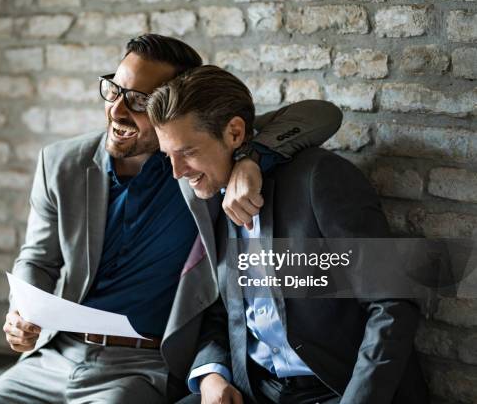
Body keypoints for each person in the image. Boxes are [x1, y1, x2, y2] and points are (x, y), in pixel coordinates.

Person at [0, 35, 343, 403]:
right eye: (115, 90)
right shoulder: (60, 163)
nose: (118, 110)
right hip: (56, 355)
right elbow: (37, 258)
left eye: (138, 101)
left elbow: (322, 114)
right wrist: (22, 311)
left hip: (141, 365)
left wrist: (253, 159)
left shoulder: (193, 164)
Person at [148, 65, 429, 404]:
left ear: (235, 133)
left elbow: (392, 303)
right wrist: (211, 375)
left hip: (336, 388)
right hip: (254, 388)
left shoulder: (320, 179)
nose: (177, 172)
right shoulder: (206, 196)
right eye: (169, 156)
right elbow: (221, 309)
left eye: (188, 152)